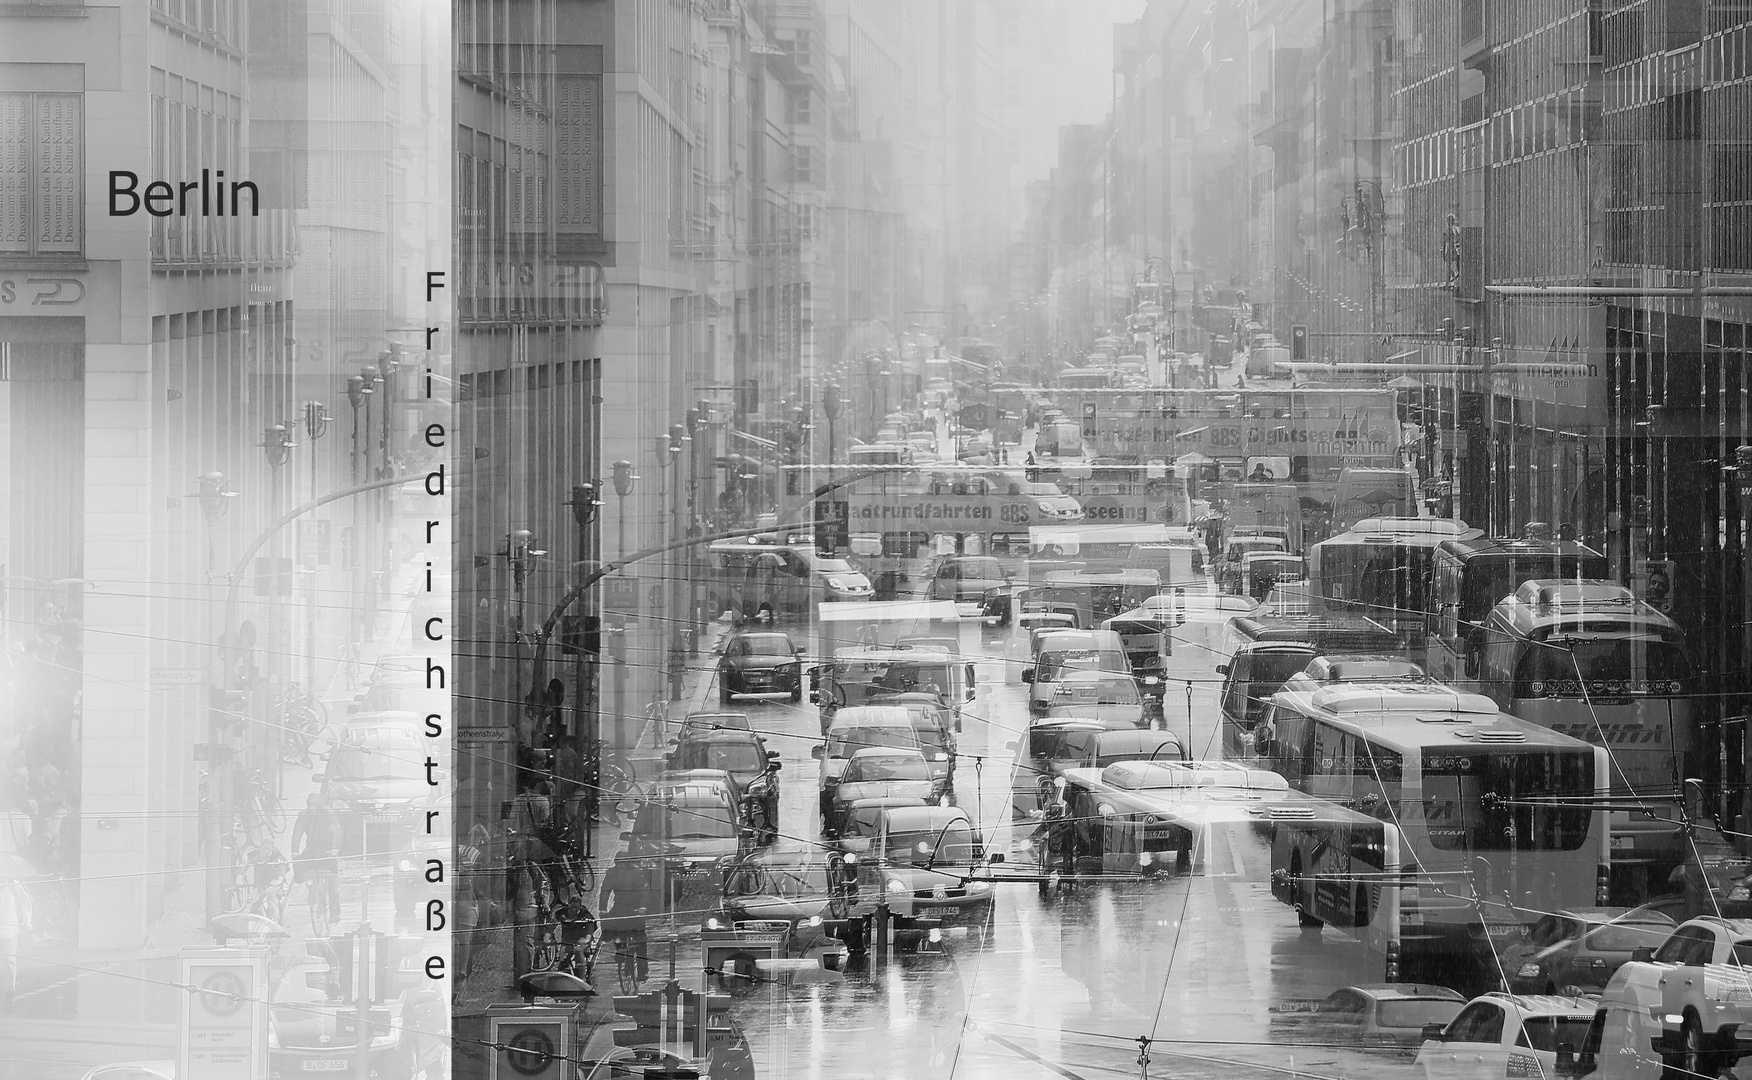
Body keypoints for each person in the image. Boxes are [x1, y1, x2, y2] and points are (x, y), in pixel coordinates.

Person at [290, 794, 341, 924]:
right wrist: (294, 850)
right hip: (312, 848)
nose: (311, 809)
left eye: (314, 806)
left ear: (319, 806)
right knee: (301, 864)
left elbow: (335, 830)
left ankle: (335, 914)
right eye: (309, 806)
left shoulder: (329, 814)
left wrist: (335, 848)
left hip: (327, 849)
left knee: (332, 880)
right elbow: (298, 831)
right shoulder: (304, 815)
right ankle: (310, 886)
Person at [0, 871, 30, 1012]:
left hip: (10, 930)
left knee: (9, 959)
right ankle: (9, 987)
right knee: (9, 959)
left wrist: (27, 921)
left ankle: (10, 988)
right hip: (10, 929)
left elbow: (25, 902)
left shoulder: (13, 885)